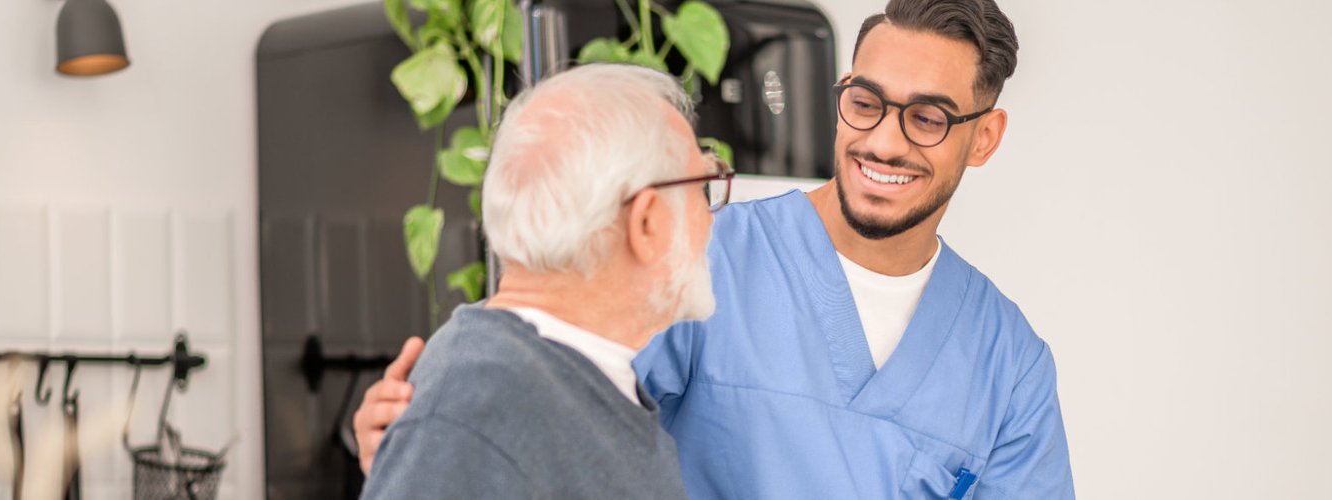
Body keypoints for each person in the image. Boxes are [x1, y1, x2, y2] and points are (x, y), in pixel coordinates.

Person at [356, 0, 1077, 497]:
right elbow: (548, 403)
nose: (883, 140)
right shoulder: (698, 258)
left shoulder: (1007, 364)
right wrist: (427, 437)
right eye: (865, 102)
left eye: (928, 118)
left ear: (984, 137)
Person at [358, 63, 733, 499]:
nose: (711, 217)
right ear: (646, 223)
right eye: (702, 186)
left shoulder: (538, 387)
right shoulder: (478, 414)